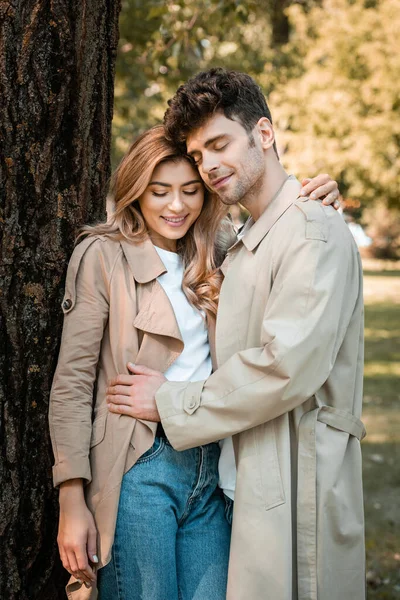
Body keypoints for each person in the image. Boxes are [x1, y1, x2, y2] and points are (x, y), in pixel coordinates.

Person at [107, 69, 366, 600]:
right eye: (199, 155)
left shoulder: (310, 229)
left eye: (219, 144)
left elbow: (287, 365)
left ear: (264, 135)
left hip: (301, 478)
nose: (208, 167)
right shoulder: (244, 242)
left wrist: (171, 402)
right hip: (242, 473)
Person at [49, 126, 338, 599]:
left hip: (212, 464)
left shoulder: (222, 253)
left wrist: (317, 194)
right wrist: (71, 497)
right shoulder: (103, 255)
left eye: (190, 191)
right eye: (159, 192)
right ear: (136, 192)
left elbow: (280, 233)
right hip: (139, 467)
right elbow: (72, 383)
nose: (176, 206)